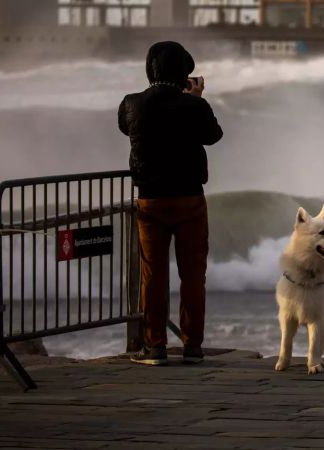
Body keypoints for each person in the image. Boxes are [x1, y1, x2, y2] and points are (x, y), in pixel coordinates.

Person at [118, 41, 223, 366]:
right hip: (190, 198)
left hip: (150, 201)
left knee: (154, 274)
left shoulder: (131, 103)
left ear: (151, 69)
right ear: (184, 72)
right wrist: (196, 100)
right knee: (193, 276)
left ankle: (156, 347)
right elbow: (213, 135)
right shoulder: (193, 105)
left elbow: (125, 127)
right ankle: (192, 346)